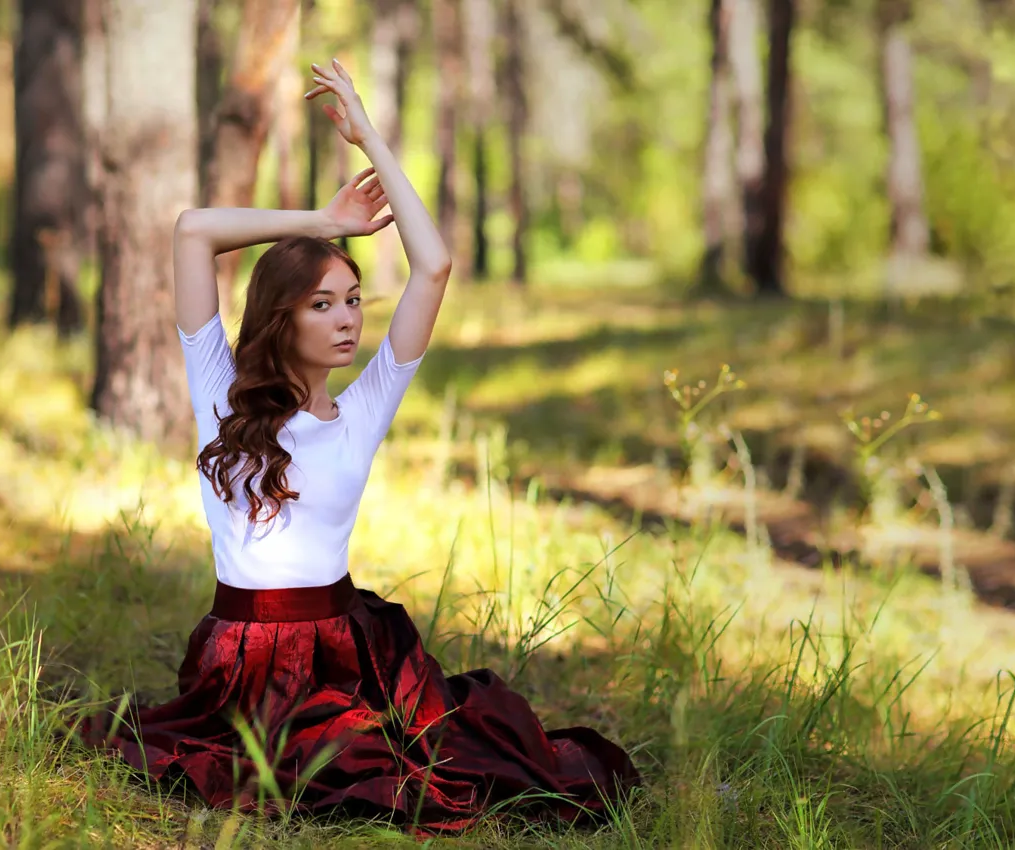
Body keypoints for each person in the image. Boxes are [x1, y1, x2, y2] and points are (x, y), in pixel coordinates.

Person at [77, 59, 640, 834]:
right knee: (266, 772)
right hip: (238, 661)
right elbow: (193, 230)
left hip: (343, 656)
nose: (347, 320)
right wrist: (322, 223)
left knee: (389, 774)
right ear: (283, 316)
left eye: (353, 301)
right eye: (323, 305)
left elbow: (434, 266)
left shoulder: (364, 408)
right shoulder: (218, 390)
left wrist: (370, 136)